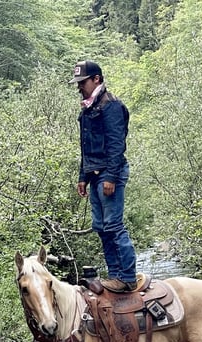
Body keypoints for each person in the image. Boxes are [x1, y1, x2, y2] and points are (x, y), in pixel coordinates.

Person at [70, 60, 137, 293]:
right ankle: (116, 275)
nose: (79, 87)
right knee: (101, 226)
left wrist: (110, 176)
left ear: (96, 79)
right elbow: (85, 146)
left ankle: (127, 277)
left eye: (83, 82)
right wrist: (83, 176)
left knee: (114, 225)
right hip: (96, 174)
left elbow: (117, 145)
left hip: (110, 174)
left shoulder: (112, 106)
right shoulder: (89, 108)